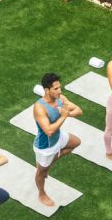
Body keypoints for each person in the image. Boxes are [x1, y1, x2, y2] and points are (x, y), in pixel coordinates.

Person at [33, 73, 82, 207]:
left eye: (59, 87)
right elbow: (49, 131)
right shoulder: (39, 107)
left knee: (76, 143)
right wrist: (63, 116)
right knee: (40, 173)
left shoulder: (60, 98)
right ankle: (41, 193)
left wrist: (68, 113)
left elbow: (79, 110)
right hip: (45, 147)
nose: (59, 91)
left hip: (59, 137)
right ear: (47, 90)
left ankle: (51, 162)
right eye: (56, 89)